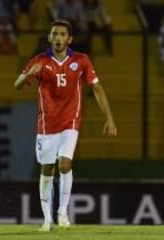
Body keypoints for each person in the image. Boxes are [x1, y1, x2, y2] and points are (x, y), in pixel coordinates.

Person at [14, 20, 117, 232]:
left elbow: (97, 89)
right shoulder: (40, 61)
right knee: (47, 169)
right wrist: (28, 72)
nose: (58, 38)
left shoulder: (81, 60)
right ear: (50, 37)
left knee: (65, 165)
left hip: (71, 120)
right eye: (54, 34)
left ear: (69, 39)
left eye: (62, 34)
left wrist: (110, 118)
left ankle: (62, 212)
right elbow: (17, 85)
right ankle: (46, 218)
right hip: (46, 124)